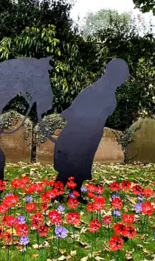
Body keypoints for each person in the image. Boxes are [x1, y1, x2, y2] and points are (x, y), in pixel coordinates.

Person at [51, 58, 130, 203]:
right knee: (70, 165)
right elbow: (74, 111)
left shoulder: (106, 90)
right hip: (79, 133)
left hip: (90, 133)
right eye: (123, 76)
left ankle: (75, 193)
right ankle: (57, 194)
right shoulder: (98, 90)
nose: (123, 80)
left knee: (82, 164)